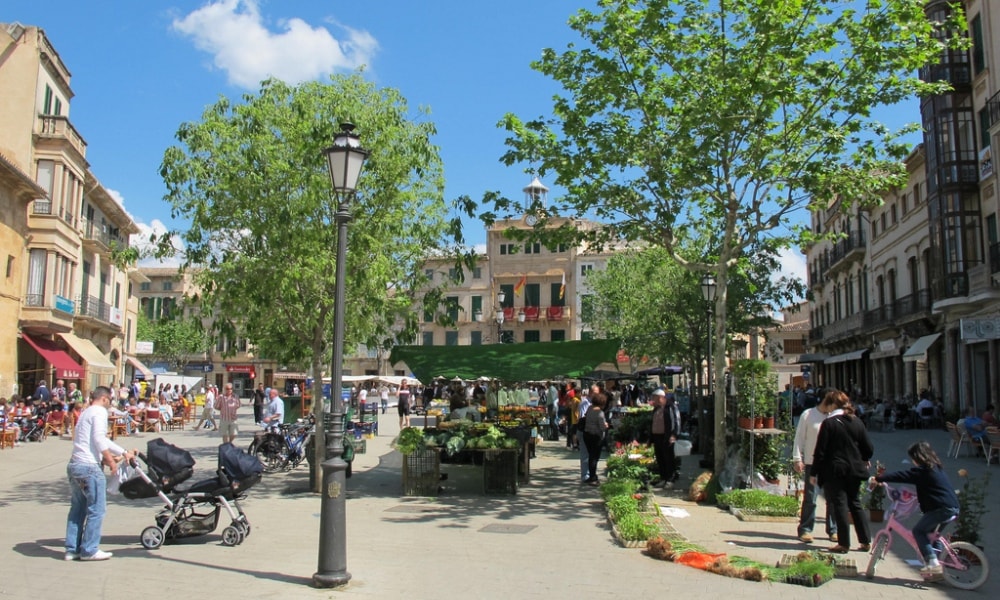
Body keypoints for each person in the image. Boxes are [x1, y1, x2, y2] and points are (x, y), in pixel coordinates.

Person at [65, 386, 136, 561]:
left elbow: (93, 441)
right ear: (104, 399)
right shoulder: (99, 412)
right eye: (110, 400)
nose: (110, 404)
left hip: (75, 464)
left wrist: (121, 451)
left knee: (77, 508)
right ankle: (89, 549)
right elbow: (99, 438)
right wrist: (110, 461)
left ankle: (71, 549)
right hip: (89, 467)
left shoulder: (86, 412)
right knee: (96, 509)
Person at [872, 441, 959, 579]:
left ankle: (933, 564)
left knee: (918, 531)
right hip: (951, 507)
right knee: (932, 535)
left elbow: (902, 475)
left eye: (912, 457)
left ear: (917, 457)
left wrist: (879, 478)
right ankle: (937, 570)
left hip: (941, 509)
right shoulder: (936, 468)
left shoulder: (923, 471)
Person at [810, 390, 874, 554]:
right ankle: (866, 540)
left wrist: (814, 472)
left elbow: (820, 451)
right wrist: (864, 458)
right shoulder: (857, 421)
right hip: (854, 470)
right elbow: (868, 447)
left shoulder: (829, 423)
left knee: (839, 505)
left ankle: (844, 543)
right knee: (855, 503)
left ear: (832, 404)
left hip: (835, 470)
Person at [792, 393, 837, 544]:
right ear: (827, 401)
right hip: (812, 463)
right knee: (811, 498)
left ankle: (833, 530)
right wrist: (797, 458)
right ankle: (805, 529)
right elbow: (799, 437)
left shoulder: (833, 416)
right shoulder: (808, 415)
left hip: (831, 464)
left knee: (833, 498)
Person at [650, 388, 681, 489]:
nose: (653, 399)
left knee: (668, 459)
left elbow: (677, 421)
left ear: (660, 397)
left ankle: (670, 480)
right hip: (657, 437)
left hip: (666, 436)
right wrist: (650, 439)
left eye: (654, 397)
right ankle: (663, 478)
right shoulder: (656, 408)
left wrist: (674, 435)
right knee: (660, 458)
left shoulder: (670, 407)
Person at [581, 393, 608, 485]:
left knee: (590, 456)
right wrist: (606, 425)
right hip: (596, 436)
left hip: (587, 434)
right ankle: (593, 477)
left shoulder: (589, 408)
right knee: (594, 457)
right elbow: (602, 427)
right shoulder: (600, 413)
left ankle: (592, 476)